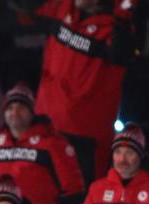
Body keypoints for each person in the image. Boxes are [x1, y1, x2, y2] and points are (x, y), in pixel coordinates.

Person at [32, 0, 140, 184]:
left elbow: (124, 54)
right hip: (47, 125)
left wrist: (124, 13)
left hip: (85, 137)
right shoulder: (61, 7)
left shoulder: (115, 27)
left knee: (83, 201)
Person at [0, 82, 85, 204]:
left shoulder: (53, 144)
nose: (15, 112)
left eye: (21, 107)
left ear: (32, 112)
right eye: (10, 108)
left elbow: (72, 191)